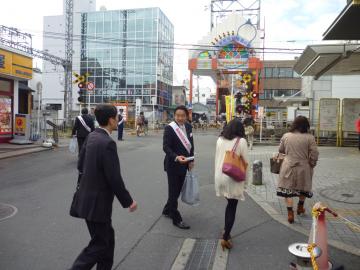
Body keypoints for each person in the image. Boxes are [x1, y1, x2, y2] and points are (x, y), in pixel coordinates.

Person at [69, 104, 137, 270]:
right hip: (97, 205)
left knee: (107, 240)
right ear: (111, 120)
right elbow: (114, 178)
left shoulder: (92, 136)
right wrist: (128, 201)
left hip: (86, 200)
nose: (118, 120)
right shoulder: (107, 143)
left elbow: (80, 165)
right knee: (100, 244)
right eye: (117, 117)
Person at [214, 118, 249, 251]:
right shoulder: (242, 141)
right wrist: (246, 183)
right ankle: (226, 236)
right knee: (232, 206)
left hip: (220, 175)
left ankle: (226, 230)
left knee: (229, 203)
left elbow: (217, 158)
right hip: (233, 177)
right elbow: (246, 163)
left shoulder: (220, 140)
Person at [277, 116, 319, 224]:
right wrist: (312, 164)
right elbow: (314, 153)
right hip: (304, 167)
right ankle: (300, 208)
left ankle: (290, 213)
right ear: (306, 126)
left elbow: (281, 150)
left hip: (288, 166)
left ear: (294, 124)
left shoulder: (286, 136)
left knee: (288, 191)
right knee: (303, 188)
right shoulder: (310, 137)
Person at [162, 105, 195, 230]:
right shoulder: (170, 128)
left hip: (185, 164)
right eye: (177, 115)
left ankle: (167, 209)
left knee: (177, 190)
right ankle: (176, 218)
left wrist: (192, 159)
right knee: (173, 191)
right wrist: (176, 157)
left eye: (182, 116)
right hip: (173, 165)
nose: (180, 118)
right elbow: (166, 147)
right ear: (174, 116)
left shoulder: (188, 126)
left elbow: (191, 145)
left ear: (186, 116)